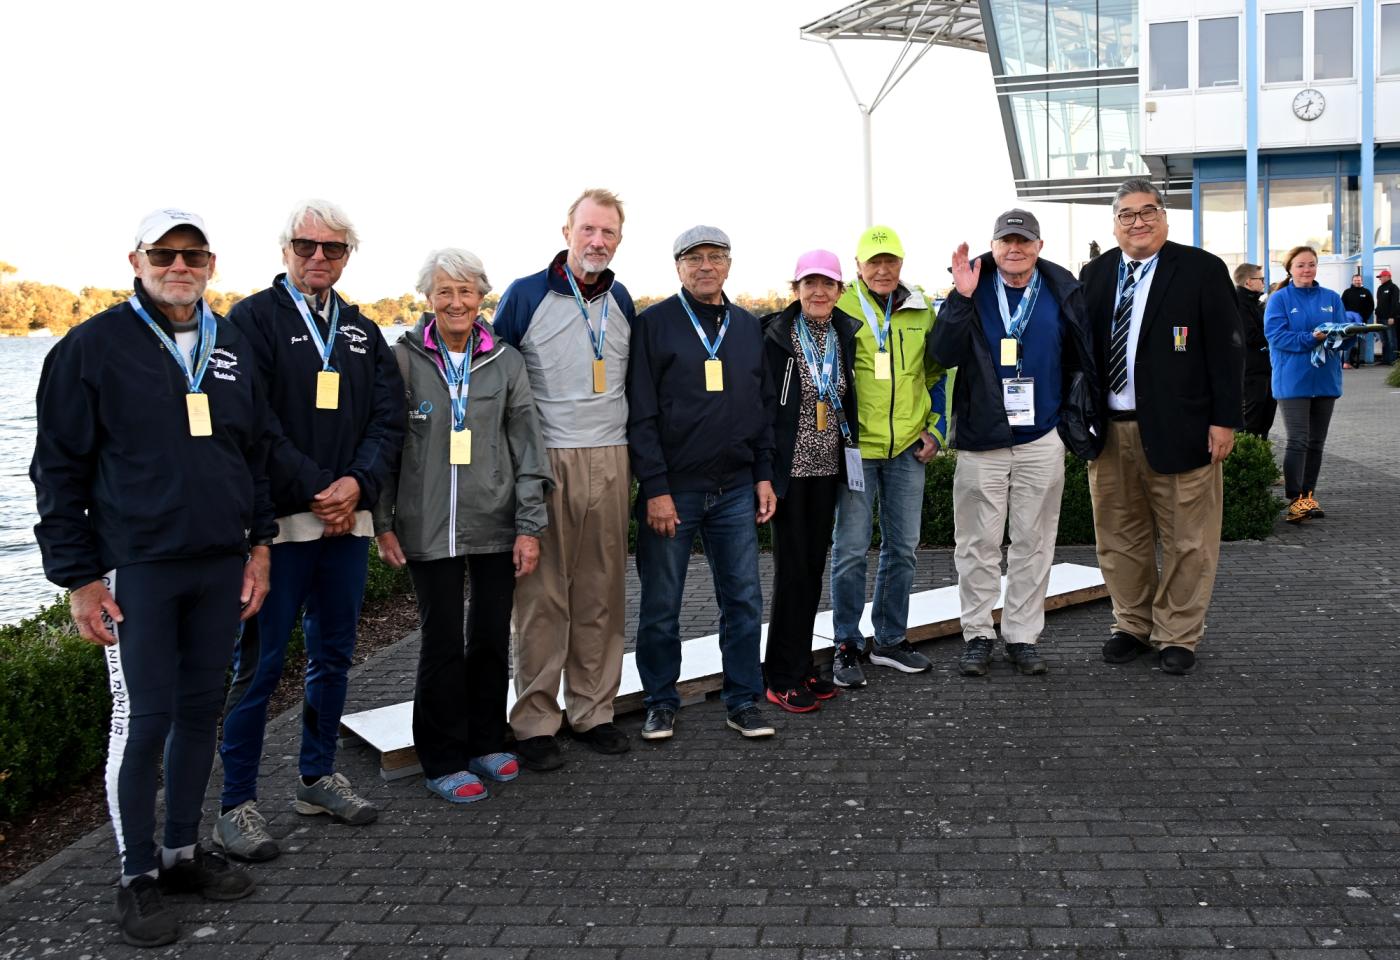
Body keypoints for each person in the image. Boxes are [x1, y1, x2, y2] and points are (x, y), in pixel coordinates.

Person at [31, 209, 272, 946]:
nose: (179, 266)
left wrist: (259, 547)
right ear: (136, 262)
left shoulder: (232, 345)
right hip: (136, 568)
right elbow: (57, 471)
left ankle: (180, 853)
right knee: (144, 722)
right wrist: (79, 580)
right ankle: (136, 875)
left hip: (218, 564)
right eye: (164, 254)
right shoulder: (90, 348)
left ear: (211, 264)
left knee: (201, 712)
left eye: (192, 255)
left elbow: (254, 456)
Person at [217, 200, 405, 860]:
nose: (318, 258)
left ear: (347, 256)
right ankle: (236, 804)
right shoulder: (250, 321)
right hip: (279, 528)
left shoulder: (361, 330)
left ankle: (316, 778)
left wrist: (356, 486)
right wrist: (319, 489)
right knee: (260, 666)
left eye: (333, 248)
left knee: (333, 657)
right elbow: (253, 421)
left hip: (346, 526)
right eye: (306, 246)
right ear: (285, 250)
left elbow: (388, 420)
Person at [374, 249, 552, 802]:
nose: (456, 302)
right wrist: (382, 522)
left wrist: (529, 525)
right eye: (445, 292)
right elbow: (384, 446)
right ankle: (443, 758)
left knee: (492, 637)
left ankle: (486, 740)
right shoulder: (401, 361)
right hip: (427, 524)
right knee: (443, 641)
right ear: (428, 298)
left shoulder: (505, 361)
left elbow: (528, 447)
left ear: (482, 298)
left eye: (466, 291)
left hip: (495, 521)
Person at [493, 189, 635, 771]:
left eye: (608, 232)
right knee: (542, 596)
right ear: (566, 232)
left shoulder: (621, 298)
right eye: (588, 230)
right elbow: (497, 379)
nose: (597, 241)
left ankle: (593, 710)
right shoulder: (525, 295)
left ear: (619, 238)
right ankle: (533, 720)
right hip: (546, 457)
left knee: (601, 591)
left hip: (612, 454)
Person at [1079, 178, 1243, 676]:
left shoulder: (1201, 270)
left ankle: (1177, 633)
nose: (1138, 222)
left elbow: (1228, 350)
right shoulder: (1095, 274)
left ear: (1164, 217)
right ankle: (1132, 624)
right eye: (1127, 214)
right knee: (1118, 537)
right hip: (1110, 432)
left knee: (1188, 540)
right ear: (1114, 223)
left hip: (1183, 429)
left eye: (1148, 211)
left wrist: (1224, 420)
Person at [933, 209, 1099, 679]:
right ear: (994, 245)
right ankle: (978, 634)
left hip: (1042, 436)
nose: (1015, 248)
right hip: (981, 438)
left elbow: (1080, 359)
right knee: (977, 544)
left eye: (1024, 241)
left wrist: (1071, 421)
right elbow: (941, 353)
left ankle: (1023, 635)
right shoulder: (973, 286)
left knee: (1035, 541)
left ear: (1039, 247)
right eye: (1006, 240)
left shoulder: (1062, 290)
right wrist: (961, 298)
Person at [627, 225, 777, 741]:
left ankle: (743, 699)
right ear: (678, 267)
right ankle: (660, 701)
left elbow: (761, 409)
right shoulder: (654, 325)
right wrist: (655, 488)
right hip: (675, 491)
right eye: (694, 258)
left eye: (715, 257)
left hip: (735, 488)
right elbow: (641, 413)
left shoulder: (747, 327)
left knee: (743, 601)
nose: (705, 266)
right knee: (661, 604)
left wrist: (763, 475)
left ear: (729, 265)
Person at [828, 225, 949, 688]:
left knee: (903, 549)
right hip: (857, 451)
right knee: (850, 550)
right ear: (858, 265)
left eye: (890, 261)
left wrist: (936, 428)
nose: (883, 269)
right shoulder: (840, 307)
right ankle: (846, 642)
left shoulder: (920, 308)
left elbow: (936, 374)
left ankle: (890, 640)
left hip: (906, 451)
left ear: (901, 264)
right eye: (874, 261)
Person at [760, 250, 860, 713]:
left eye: (827, 284)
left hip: (827, 470)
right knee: (791, 575)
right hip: (789, 474)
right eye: (809, 284)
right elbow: (763, 407)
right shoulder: (775, 336)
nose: (818, 292)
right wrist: (764, 471)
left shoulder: (843, 334)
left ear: (840, 290)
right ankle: (779, 675)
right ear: (796, 289)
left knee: (812, 571)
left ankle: (801, 666)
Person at [1264, 246, 1345, 524]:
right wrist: (1312, 338)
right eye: (1300, 265)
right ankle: (1295, 499)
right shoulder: (1279, 299)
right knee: (1298, 440)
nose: (1307, 270)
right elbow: (1276, 336)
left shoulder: (1331, 297)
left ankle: (1308, 496)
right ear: (1290, 269)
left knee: (1316, 443)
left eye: (1311, 264)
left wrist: (1345, 336)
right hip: (1292, 381)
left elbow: (1344, 335)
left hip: (1325, 380)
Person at [1234, 262, 1275, 437]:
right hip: (1251, 370)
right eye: (1261, 279)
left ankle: (1260, 450)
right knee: (1251, 421)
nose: (1264, 282)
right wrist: (1276, 334)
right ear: (1248, 282)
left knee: (1266, 417)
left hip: (1264, 368)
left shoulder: (1255, 302)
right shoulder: (1238, 303)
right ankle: (1245, 453)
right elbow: (1249, 336)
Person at [1340, 273, 1375, 367]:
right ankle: (1346, 361)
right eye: (1355, 280)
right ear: (1352, 281)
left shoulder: (1366, 292)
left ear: (1361, 281)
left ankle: (1361, 360)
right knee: (1349, 341)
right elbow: (1341, 306)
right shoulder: (1347, 292)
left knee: (1362, 340)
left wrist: (1365, 318)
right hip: (1349, 323)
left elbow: (1371, 306)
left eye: (1359, 280)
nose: (1357, 282)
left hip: (1362, 321)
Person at [1376, 268, 1398, 365]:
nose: (1380, 279)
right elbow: (1379, 303)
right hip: (1380, 318)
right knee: (1384, 340)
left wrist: (1392, 316)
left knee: (1391, 339)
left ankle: (1394, 360)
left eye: (1381, 277)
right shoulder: (1380, 288)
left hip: (1389, 318)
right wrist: (1377, 315)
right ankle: (1385, 360)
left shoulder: (1393, 288)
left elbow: (1395, 304)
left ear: (1387, 277)